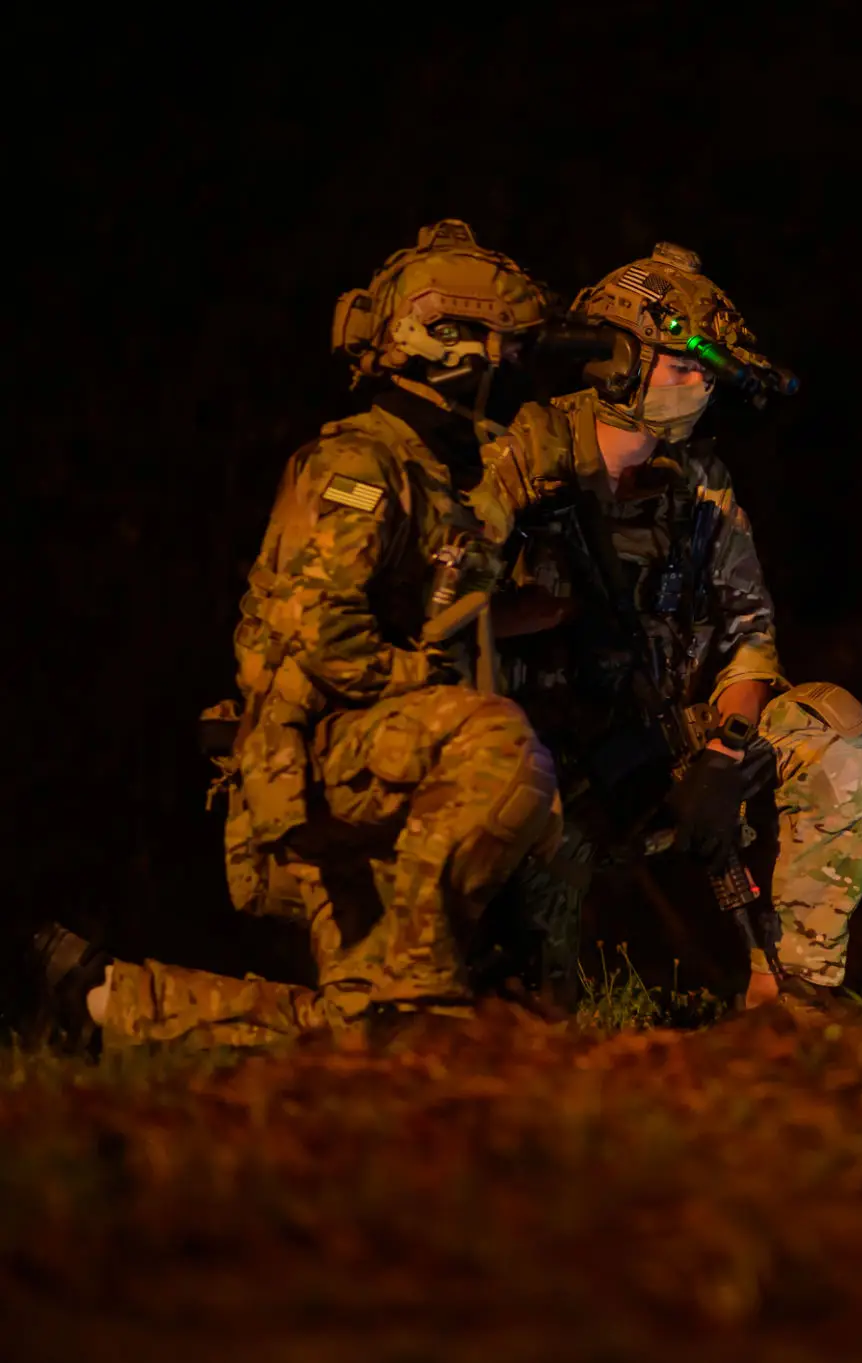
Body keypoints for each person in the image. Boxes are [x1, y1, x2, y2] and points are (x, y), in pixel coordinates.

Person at [31, 221, 566, 1049]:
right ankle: (422, 989)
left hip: (371, 771)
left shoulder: (438, 470)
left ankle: (108, 999)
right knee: (500, 744)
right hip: (315, 777)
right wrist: (429, 674)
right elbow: (319, 640)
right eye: (502, 346)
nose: (509, 369)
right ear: (452, 341)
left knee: (355, 1034)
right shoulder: (359, 464)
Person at [493, 243, 862, 1012]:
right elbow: (436, 613)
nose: (699, 386)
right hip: (540, 774)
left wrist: (722, 753)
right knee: (522, 1014)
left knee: (829, 726)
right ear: (620, 361)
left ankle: (795, 987)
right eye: (682, 366)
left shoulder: (699, 484)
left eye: (708, 372)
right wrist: (542, 612)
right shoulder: (519, 458)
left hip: (662, 746)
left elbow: (750, 634)